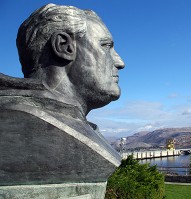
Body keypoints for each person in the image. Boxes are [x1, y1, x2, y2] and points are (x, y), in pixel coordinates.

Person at [0, 4, 124, 186]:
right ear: (64, 46)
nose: (120, 62)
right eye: (106, 46)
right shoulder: (16, 119)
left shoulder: (74, 121)